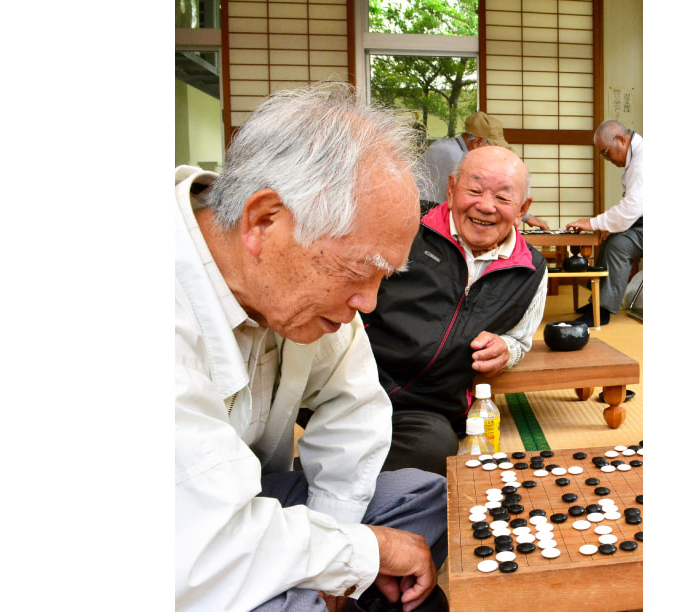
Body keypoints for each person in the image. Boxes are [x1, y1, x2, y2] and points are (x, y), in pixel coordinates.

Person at [175, 83, 448, 612]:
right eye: (359, 271)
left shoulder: (298, 284)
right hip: (176, 540)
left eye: (383, 278)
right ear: (264, 221)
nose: (369, 303)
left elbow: (355, 408)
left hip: (248, 504)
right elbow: (196, 546)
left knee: (422, 495)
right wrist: (359, 555)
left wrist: (340, 562)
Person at [363, 145, 549, 476]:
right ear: (451, 189)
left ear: (523, 208)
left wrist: (506, 348)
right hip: (357, 383)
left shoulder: (531, 269)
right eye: (474, 190)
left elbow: (520, 339)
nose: (486, 206)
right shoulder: (408, 224)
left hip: (427, 409)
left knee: (436, 448)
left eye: (503, 199)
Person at [565, 120, 643, 327]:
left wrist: (593, 223)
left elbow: (632, 208)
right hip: (642, 221)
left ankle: (603, 310)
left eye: (606, 153)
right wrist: (608, 226)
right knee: (609, 240)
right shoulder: (637, 156)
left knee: (619, 246)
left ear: (621, 140)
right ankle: (597, 303)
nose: (606, 159)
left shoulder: (643, 159)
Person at [417, 111, 551, 230]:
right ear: (478, 142)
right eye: (491, 147)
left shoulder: (449, 148)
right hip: (421, 218)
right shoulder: (452, 155)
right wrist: (525, 216)